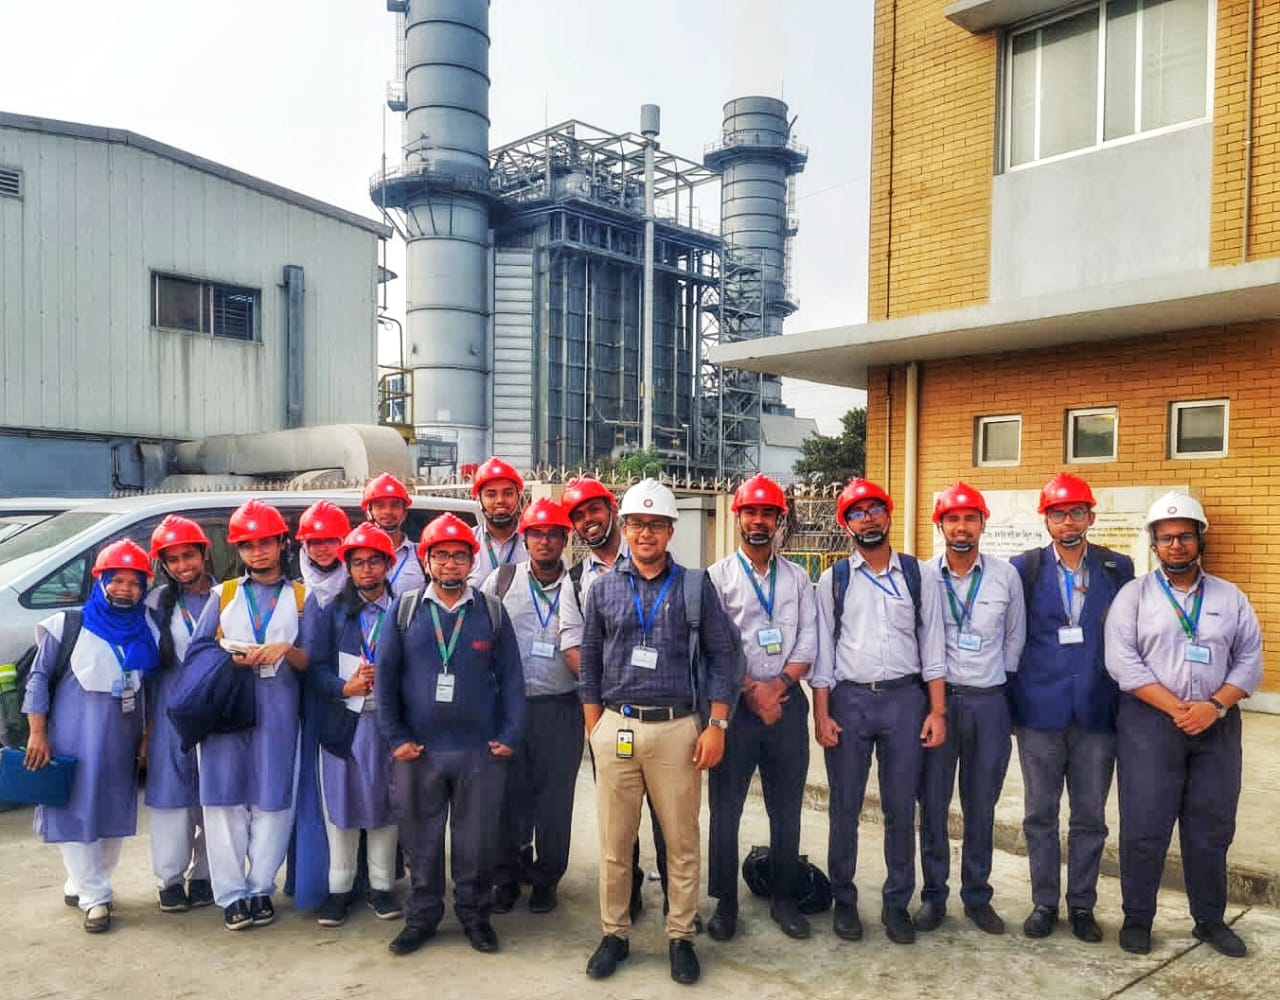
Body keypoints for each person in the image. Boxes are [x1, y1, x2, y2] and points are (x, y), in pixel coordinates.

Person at [578, 478, 739, 986]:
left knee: (682, 841)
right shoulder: (603, 588)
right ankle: (614, 932)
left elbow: (723, 657)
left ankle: (680, 935)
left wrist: (716, 725)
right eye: (636, 524)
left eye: (655, 524)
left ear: (671, 531)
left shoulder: (694, 586)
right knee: (615, 843)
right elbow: (589, 663)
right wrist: (596, 730)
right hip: (617, 726)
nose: (645, 533)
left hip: (677, 729)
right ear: (623, 529)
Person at [1105, 492, 1262, 958]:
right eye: (1167, 537)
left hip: (1216, 725)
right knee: (1145, 826)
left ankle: (1209, 920)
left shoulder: (1230, 597)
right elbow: (1122, 662)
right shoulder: (1133, 597)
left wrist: (1213, 706)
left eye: (1185, 536)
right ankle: (1138, 919)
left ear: (1200, 540)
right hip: (1150, 725)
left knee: (1211, 827)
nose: (1176, 545)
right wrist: (1178, 708)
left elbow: (1250, 660)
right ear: (1154, 544)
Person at [376, 513, 525, 957]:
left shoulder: (490, 612)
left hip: (478, 750)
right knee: (420, 840)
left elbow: (513, 679)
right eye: (440, 555)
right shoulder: (404, 611)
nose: (449, 564)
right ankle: (422, 916)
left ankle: (475, 915)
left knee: (475, 840)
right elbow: (385, 680)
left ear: (471, 561)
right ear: (426, 560)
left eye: (459, 556)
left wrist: (509, 734)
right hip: (418, 751)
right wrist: (395, 737)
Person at [811, 477, 946, 947]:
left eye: (874, 510)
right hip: (849, 701)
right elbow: (823, 653)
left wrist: (937, 710)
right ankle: (844, 900)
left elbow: (933, 647)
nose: (867, 519)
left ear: (888, 515)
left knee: (900, 808)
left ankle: (896, 903)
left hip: (905, 700)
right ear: (846, 524)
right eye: (857, 512)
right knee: (845, 807)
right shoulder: (835, 580)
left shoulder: (918, 575)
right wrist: (821, 714)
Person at [1009, 473, 1134, 943]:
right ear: (1046, 520)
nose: (1068, 522)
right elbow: (1012, 639)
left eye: (1076, 512)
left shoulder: (1117, 568)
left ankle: (1082, 905)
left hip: (1097, 714)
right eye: (1058, 514)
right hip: (1040, 714)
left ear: (1090, 517)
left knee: (1090, 818)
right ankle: (1044, 902)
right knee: (1040, 814)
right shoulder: (1024, 569)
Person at [23, 539, 158, 934]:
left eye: (134, 583)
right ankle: (96, 898)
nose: (125, 590)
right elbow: (38, 680)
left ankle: (81, 883)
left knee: (112, 815)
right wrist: (37, 733)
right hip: (72, 740)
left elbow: (151, 690)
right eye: (116, 580)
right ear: (100, 580)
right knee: (75, 813)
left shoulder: (146, 629)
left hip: (121, 741)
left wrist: (147, 736)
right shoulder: (67, 626)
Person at [705, 473, 817, 943]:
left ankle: (784, 898)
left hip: (787, 704)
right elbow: (715, 645)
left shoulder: (797, 578)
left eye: (767, 513)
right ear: (738, 517)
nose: (758, 520)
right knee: (725, 809)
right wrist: (751, 688)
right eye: (750, 512)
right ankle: (725, 903)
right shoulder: (717, 578)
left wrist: (778, 685)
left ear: (778, 520)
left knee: (786, 807)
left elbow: (808, 639)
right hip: (735, 707)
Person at [188, 498, 309, 932]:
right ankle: (231, 894)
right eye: (248, 545)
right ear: (237, 550)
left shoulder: (302, 597)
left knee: (274, 799)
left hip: (279, 712)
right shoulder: (223, 595)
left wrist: (287, 650)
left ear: (282, 544)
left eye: (265, 543)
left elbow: (312, 661)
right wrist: (230, 658)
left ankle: (260, 888)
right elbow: (196, 653)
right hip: (226, 711)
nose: (258, 552)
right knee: (223, 800)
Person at [915, 483, 1025, 935]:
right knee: (933, 803)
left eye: (970, 519)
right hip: (937, 704)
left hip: (988, 702)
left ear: (982, 524)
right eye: (953, 519)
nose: (962, 527)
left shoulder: (1005, 577)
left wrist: (998, 689)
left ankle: (978, 896)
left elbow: (1014, 639)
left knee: (981, 805)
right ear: (940, 525)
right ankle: (934, 896)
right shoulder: (923, 576)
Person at [559, 475, 668, 922]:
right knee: (619, 812)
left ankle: (676, 898)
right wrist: (601, 696)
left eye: (594, 510)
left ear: (612, 512)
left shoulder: (652, 555)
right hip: (609, 711)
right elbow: (571, 643)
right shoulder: (575, 580)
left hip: (661, 710)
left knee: (667, 810)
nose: (588, 520)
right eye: (578, 516)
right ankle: (629, 893)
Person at [483, 498, 582, 916]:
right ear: (525, 539)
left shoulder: (579, 584)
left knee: (555, 801)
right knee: (506, 796)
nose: (544, 541)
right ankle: (505, 877)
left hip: (562, 708)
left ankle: (547, 879)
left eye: (553, 534)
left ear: (564, 539)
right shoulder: (502, 580)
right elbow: (480, 632)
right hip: (510, 707)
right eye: (537, 534)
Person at [305, 522, 403, 928]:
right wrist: (343, 687)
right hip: (343, 725)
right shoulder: (331, 613)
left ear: (388, 564)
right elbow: (314, 669)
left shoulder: (404, 611)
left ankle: (382, 887)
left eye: (374, 561)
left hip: (388, 725)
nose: (366, 570)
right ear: (347, 567)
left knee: (386, 805)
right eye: (358, 562)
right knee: (341, 806)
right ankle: (340, 889)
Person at [144, 516, 216, 914]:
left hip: (215, 711)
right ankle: (169, 879)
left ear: (204, 553)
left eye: (189, 555)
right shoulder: (154, 603)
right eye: (173, 559)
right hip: (169, 711)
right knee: (171, 796)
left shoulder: (226, 596)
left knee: (215, 793)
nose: (182, 565)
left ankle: (205, 873)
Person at [467, 456, 527, 587]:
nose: (500, 500)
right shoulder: (466, 543)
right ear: (479, 500)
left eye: (508, 493)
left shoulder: (537, 542)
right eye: (491, 494)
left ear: (519, 497)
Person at [362, 473, 426, 595]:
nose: (388, 511)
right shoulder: (358, 556)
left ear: (404, 512)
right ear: (369, 512)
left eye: (395, 505)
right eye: (380, 506)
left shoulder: (421, 555)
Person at [296, 500, 352, 609]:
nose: (323, 548)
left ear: (343, 542)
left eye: (330, 541)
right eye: (316, 542)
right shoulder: (293, 591)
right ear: (305, 547)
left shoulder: (360, 587)